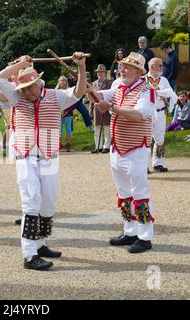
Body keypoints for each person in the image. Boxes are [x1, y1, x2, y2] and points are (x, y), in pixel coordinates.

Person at [0, 52, 87, 271]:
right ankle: (29, 254)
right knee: (31, 201)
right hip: (25, 156)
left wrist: (81, 67)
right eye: (23, 89)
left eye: (30, 87)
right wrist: (18, 66)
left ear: (39, 84)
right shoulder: (17, 98)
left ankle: (41, 243)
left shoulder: (56, 96)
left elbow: (80, 91)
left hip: (49, 156)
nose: (27, 93)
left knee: (48, 203)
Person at [88, 52, 156, 254]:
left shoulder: (147, 90)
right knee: (124, 193)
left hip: (136, 148)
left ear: (138, 71)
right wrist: (89, 89)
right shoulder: (118, 84)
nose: (122, 69)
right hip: (118, 148)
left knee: (140, 193)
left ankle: (145, 237)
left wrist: (112, 108)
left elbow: (138, 114)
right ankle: (130, 231)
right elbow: (103, 97)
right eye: (122, 66)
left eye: (127, 66)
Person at [145, 58, 177, 172]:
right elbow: (142, 93)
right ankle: (144, 166)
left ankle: (158, 163)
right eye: (159, 65)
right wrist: (161, 93)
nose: (161, 68)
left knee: (160, 139)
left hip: (161, 112)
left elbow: (170, 93)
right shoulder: (143, 79)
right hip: (147, 114)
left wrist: (156, 93)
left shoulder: (163, 80)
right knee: (146, 139)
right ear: (152, 66)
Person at [90, 64, 112, 154]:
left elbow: (111, 95)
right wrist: (90, 110)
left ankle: (106, 146)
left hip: (106, 107)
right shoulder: (94, 83)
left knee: (107, 128)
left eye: (102, 72)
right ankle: (98, 146)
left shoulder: (110, 83)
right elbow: (91, 97)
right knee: (97, 128)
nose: (100, 73)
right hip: (96, 108)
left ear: (105, 73)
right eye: (99, 72)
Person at [56, 76, 73, 152]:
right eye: (61, 80)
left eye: (63, 80)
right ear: (58, 82)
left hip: (68, 112)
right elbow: (54, 102)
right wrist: (60, 110)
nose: (62, 82)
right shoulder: (56, 91)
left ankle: (68, 144)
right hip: (58, 113)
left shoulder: (69, 90)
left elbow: (72, 102)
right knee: (59, 130)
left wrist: (66, 110)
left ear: (66, 82)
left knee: (68, 129)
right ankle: (59, 144)